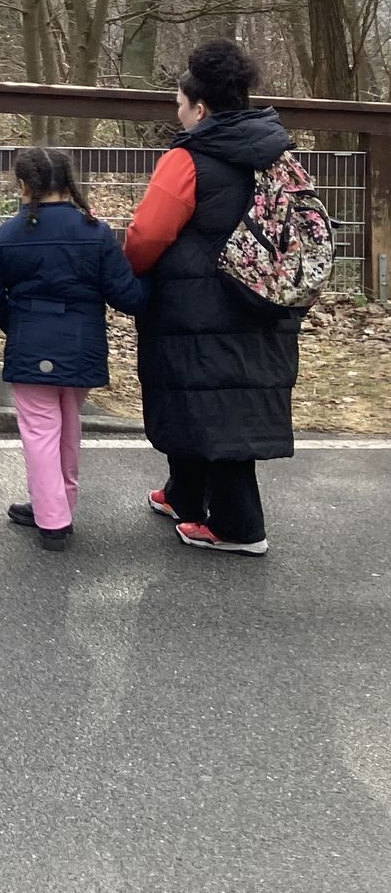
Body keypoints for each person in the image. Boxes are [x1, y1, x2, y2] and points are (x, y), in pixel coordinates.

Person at [122, 40, 301, 556]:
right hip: (263, 298)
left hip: (198, 305)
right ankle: (185, 496)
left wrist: (129, 272)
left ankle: (238, 526)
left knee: (214, 406)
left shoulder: (188, 159)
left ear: (199, 109)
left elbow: (148, 235)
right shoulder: (276, 150)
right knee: (209, 398)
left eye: (180, 104)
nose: (178, 113)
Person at [0, 147, 146, 551]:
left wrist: (13, 323)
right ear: (69, 183)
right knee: (68, 426)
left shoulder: (7, 235)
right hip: (82, 342)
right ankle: (61, 501)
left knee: (39, 432)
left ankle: (51, 518)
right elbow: (125, 293)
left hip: (30, 342)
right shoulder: (96, 232)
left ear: (23, 185)